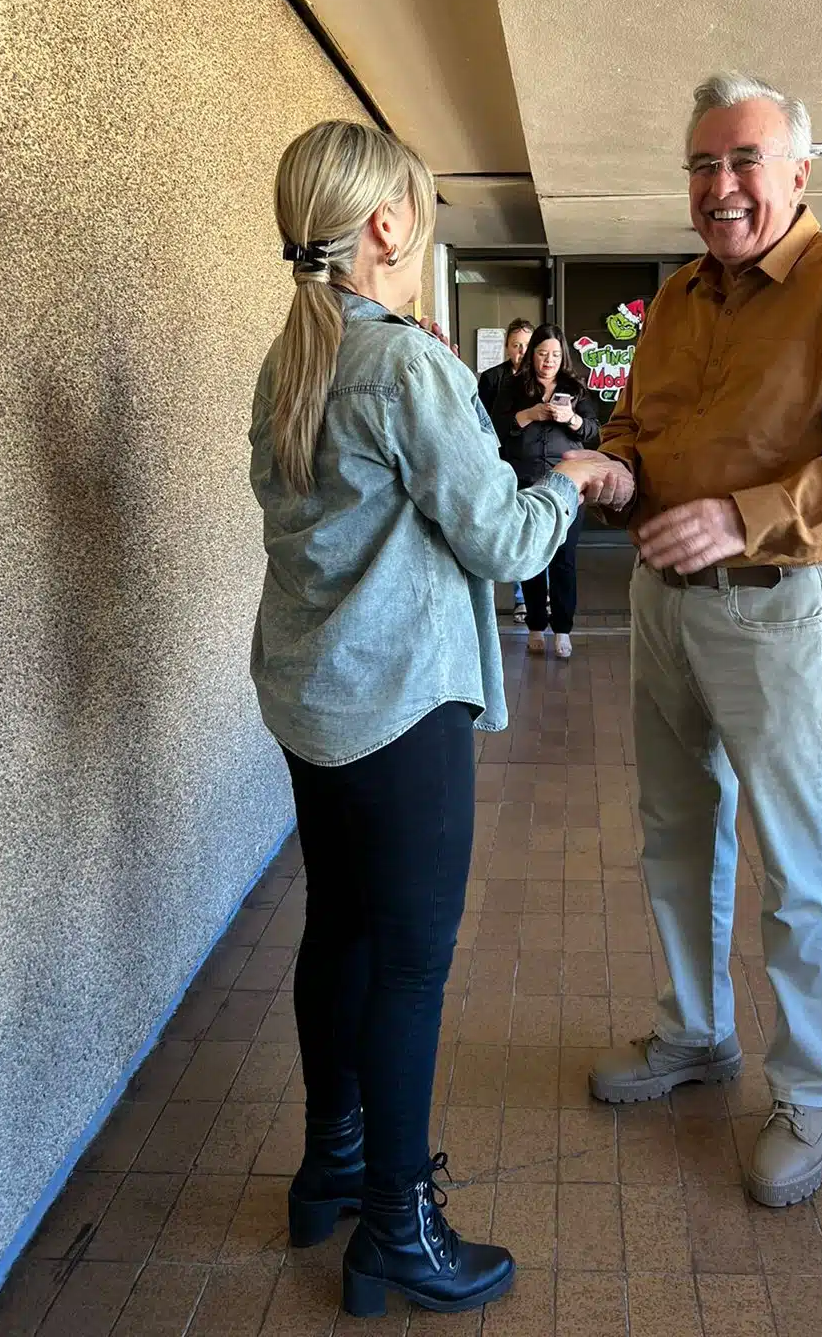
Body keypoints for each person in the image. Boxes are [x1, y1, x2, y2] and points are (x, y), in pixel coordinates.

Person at [248, 122, 611, 1317]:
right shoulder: (405, 363)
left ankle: (334, 1164)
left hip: (312, 702)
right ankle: (396, 1231)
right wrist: (572, 479)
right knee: (408, 964)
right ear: (388, 229)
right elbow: (502, 537)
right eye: (422, 214)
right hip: (399, 704)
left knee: (339, 929)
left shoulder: (292, 357)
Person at [574, 73, 822, 1210]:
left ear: (797, 171)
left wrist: (744, 514)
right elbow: (641, 425)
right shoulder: (676, 295)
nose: (719, 186)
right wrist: (612, 466)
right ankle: (695, 1034)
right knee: (676, 836)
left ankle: (810, 1093)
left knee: (797, 867)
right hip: (663, 603)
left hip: (783, 607)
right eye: (700, 165)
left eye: (742, 161)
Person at [491, 323, 600, 659]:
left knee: (564, 560)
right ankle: (536, 626)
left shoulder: (575, 388)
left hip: (568, 483)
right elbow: (493, 427)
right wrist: (528, 414)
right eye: (541, 353)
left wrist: (572, 420)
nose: (548, 360)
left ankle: (563, 629)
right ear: (532, 355)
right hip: (525, 484)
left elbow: (594, 434)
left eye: (554, 354)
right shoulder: (512, 387)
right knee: (532, 558)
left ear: (562, 355)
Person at [478, 318, 534, 622]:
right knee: (514, 529)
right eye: (516, 345)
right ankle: (520, 597)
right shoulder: (491, 379)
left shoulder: (542, 379)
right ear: (507, 347)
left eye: (527, 345)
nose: (521, 352)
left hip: (533, 464)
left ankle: (540, 595)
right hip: (501, 464)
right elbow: (481, 422)